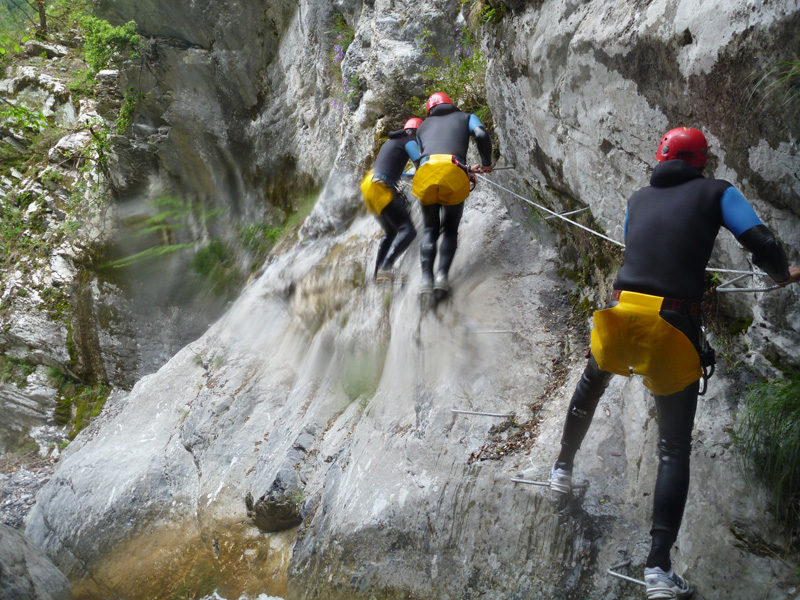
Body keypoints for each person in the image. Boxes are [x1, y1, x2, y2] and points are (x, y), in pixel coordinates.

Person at [548, 127, 800, 600]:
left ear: (660, 157)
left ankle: (560, 471)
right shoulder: (718, 192)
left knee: (591, 383)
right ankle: (658, 571)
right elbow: (760, 241)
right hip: (670, 325)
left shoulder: (638, 198)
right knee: (673, 448)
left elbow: (639, 250)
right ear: (702, 161)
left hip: (619, 315)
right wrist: (780, 274)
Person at [411, 92, 493, 299]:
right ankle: (441, 279)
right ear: (451, 104)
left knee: (430, 228)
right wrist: (485, 163)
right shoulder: (467, 117)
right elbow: (481, 135)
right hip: (454, 171)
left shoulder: (422, 127)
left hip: (426, 172)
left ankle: (426, 281)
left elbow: (431, 155)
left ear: (430, 111)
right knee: (449, 230)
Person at [360, 117, 423, 281]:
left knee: (390, 232)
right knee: (407, 230)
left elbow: (396, 172)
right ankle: (386, 267)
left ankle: (377, 274)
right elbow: (420, 164)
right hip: (381, 185)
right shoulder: (409, 140)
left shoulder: (390, 142)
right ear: (416, 132)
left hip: (369, 185)